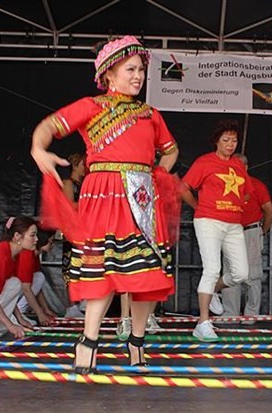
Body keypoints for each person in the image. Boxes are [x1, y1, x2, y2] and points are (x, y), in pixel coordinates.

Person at [31, 35, 179, 373]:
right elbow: (48, 127)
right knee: (104, 268)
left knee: (148, 272)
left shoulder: (151, 114)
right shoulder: (91, 106)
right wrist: (39, 150)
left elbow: (170, 150)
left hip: (141, 197)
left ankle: (137, 340)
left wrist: (158, 175)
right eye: (130, 69)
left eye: (141, 69)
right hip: (104, 193)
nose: (138, 76)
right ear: (108, 74)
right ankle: (89, 339)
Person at [181, 120, 253, 341]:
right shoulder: (204, 162)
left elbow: (247, 192)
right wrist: (198, 206)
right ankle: (203, 323)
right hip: (208, 221)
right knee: (211, 269)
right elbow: (183, 187)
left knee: (241, 273)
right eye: (226, 140)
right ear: (216, 141)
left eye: (234, 140)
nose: (231, 144)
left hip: (233, 223)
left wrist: (236, 203)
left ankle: (212, 290)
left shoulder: (239, 166)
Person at [221, 153, 272, 324]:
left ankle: (250, 314)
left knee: (253, 274)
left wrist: (261, 232)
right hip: (231, 231)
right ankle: (230, 313)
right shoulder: (224, 185)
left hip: (251, 230)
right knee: (230, 272)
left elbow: (269, 211)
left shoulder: (256, 185)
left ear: (245, 167)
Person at [61, 153, 87, 319]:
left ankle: (82, 300)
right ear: (76, 165)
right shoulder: (68, 183)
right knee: (71, 267)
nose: (86, 168)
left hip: (85, 231)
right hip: (72, 232)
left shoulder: (84, 183)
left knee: (85, 265)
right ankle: (71, 306)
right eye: (83, 165)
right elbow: (69, 206)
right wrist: (90, 203)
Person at [15, 227, 58, 326]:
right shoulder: (26, 255)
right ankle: (19, 313)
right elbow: (26, 288)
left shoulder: (34, 256)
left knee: (39, 277)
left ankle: (20, 312)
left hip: (17, 290)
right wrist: (40, 313)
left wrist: (46, 310)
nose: (52, 245)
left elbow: (37, 287)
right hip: (8, 291)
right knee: (39, 277)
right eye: (50, 242)